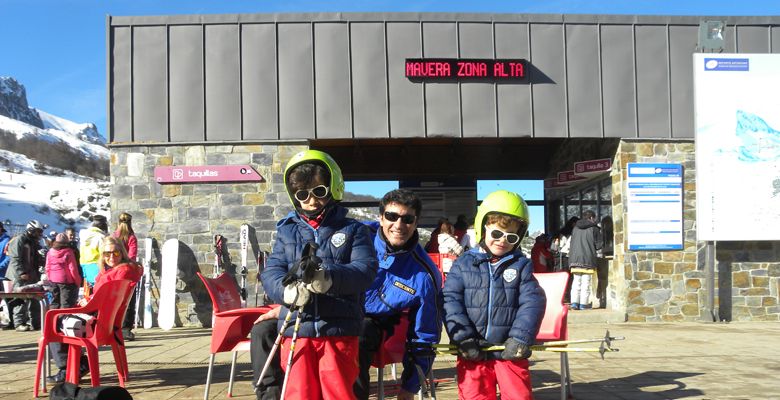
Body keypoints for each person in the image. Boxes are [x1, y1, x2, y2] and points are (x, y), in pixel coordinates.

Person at [259, 150, 378, 400]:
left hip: (339, 330)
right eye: (303, 195)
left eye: (319, 191)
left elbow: (365, 270)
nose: (312, 201)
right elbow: (272, 271)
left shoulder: (354, 230)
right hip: (296, 330)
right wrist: (285, 290)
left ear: (333, 188)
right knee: (299, 394)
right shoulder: (287, 231)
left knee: (339, 394)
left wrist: (330, 278)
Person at [443, 190, 546, 400]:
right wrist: (463, 339)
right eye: (497, 233)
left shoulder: (521, 266)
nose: (502, 241)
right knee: (474, 396)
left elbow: (533, 301)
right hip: (473, 350)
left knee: (518, 396)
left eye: (511, 237)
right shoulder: (463, 265)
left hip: (508, 351)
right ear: (484, 228)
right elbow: (450, 300)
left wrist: (520, 337)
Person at [355, 189, 443, 400]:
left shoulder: (425, 274)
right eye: (392, 216)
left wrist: (409, 388)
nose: (399, 225)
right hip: (335, 311)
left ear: (416, 222)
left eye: (407, 219)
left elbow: (425, 335)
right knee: (266, 332)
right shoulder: (357, 238)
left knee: (359, 333)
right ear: (381, 217)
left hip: (376, 325)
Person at [45, 233, 85, 383]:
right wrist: (77, 282)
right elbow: (72, 268)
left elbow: (47, 267)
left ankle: (55, 320)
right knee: (66, 309)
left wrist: (50, 278)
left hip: (54, 282)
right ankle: (61, 321)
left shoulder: (50, 251)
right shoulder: (68, 252)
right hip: (67, 282)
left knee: (54, 309)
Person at [6, 219, 45, 331]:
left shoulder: (34, 242)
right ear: (30, 229)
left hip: (32, 274)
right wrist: (21, 272)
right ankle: (19, 323)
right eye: (37, 231)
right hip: (18, 275)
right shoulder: (19, 240)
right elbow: (15, 258)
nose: (39, 234)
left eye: (40, 232)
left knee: (35, 298)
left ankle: (36, 322)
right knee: (20, 298)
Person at [568, 210, 603, 310]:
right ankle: (584, 304)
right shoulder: (594, 228)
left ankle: (574, 303)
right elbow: (598, 245)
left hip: (574, 259)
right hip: (588, 259)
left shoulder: (575, 228)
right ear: (592, 218)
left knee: (576, 282)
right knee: (586, 283)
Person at [113, 212, 139, 340]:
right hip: (127, 272)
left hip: (115, 271)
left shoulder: (114, 236)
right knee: (129, 300)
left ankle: (114, 326)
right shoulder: (131, 237)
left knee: (116, 300)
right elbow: (132, 256)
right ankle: (126, 329)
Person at [80, 215, 108, 285]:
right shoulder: (100, 237)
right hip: (96, 265)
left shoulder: (84, 235)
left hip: (85, 265)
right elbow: (103, 252)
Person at [596, 216, 613, 309]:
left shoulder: (600, 232)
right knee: (604, 279)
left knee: (601, 279)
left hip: (599, 258)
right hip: (606, 258)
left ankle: (601, 297)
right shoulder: (612, 234)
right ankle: (602, 297)